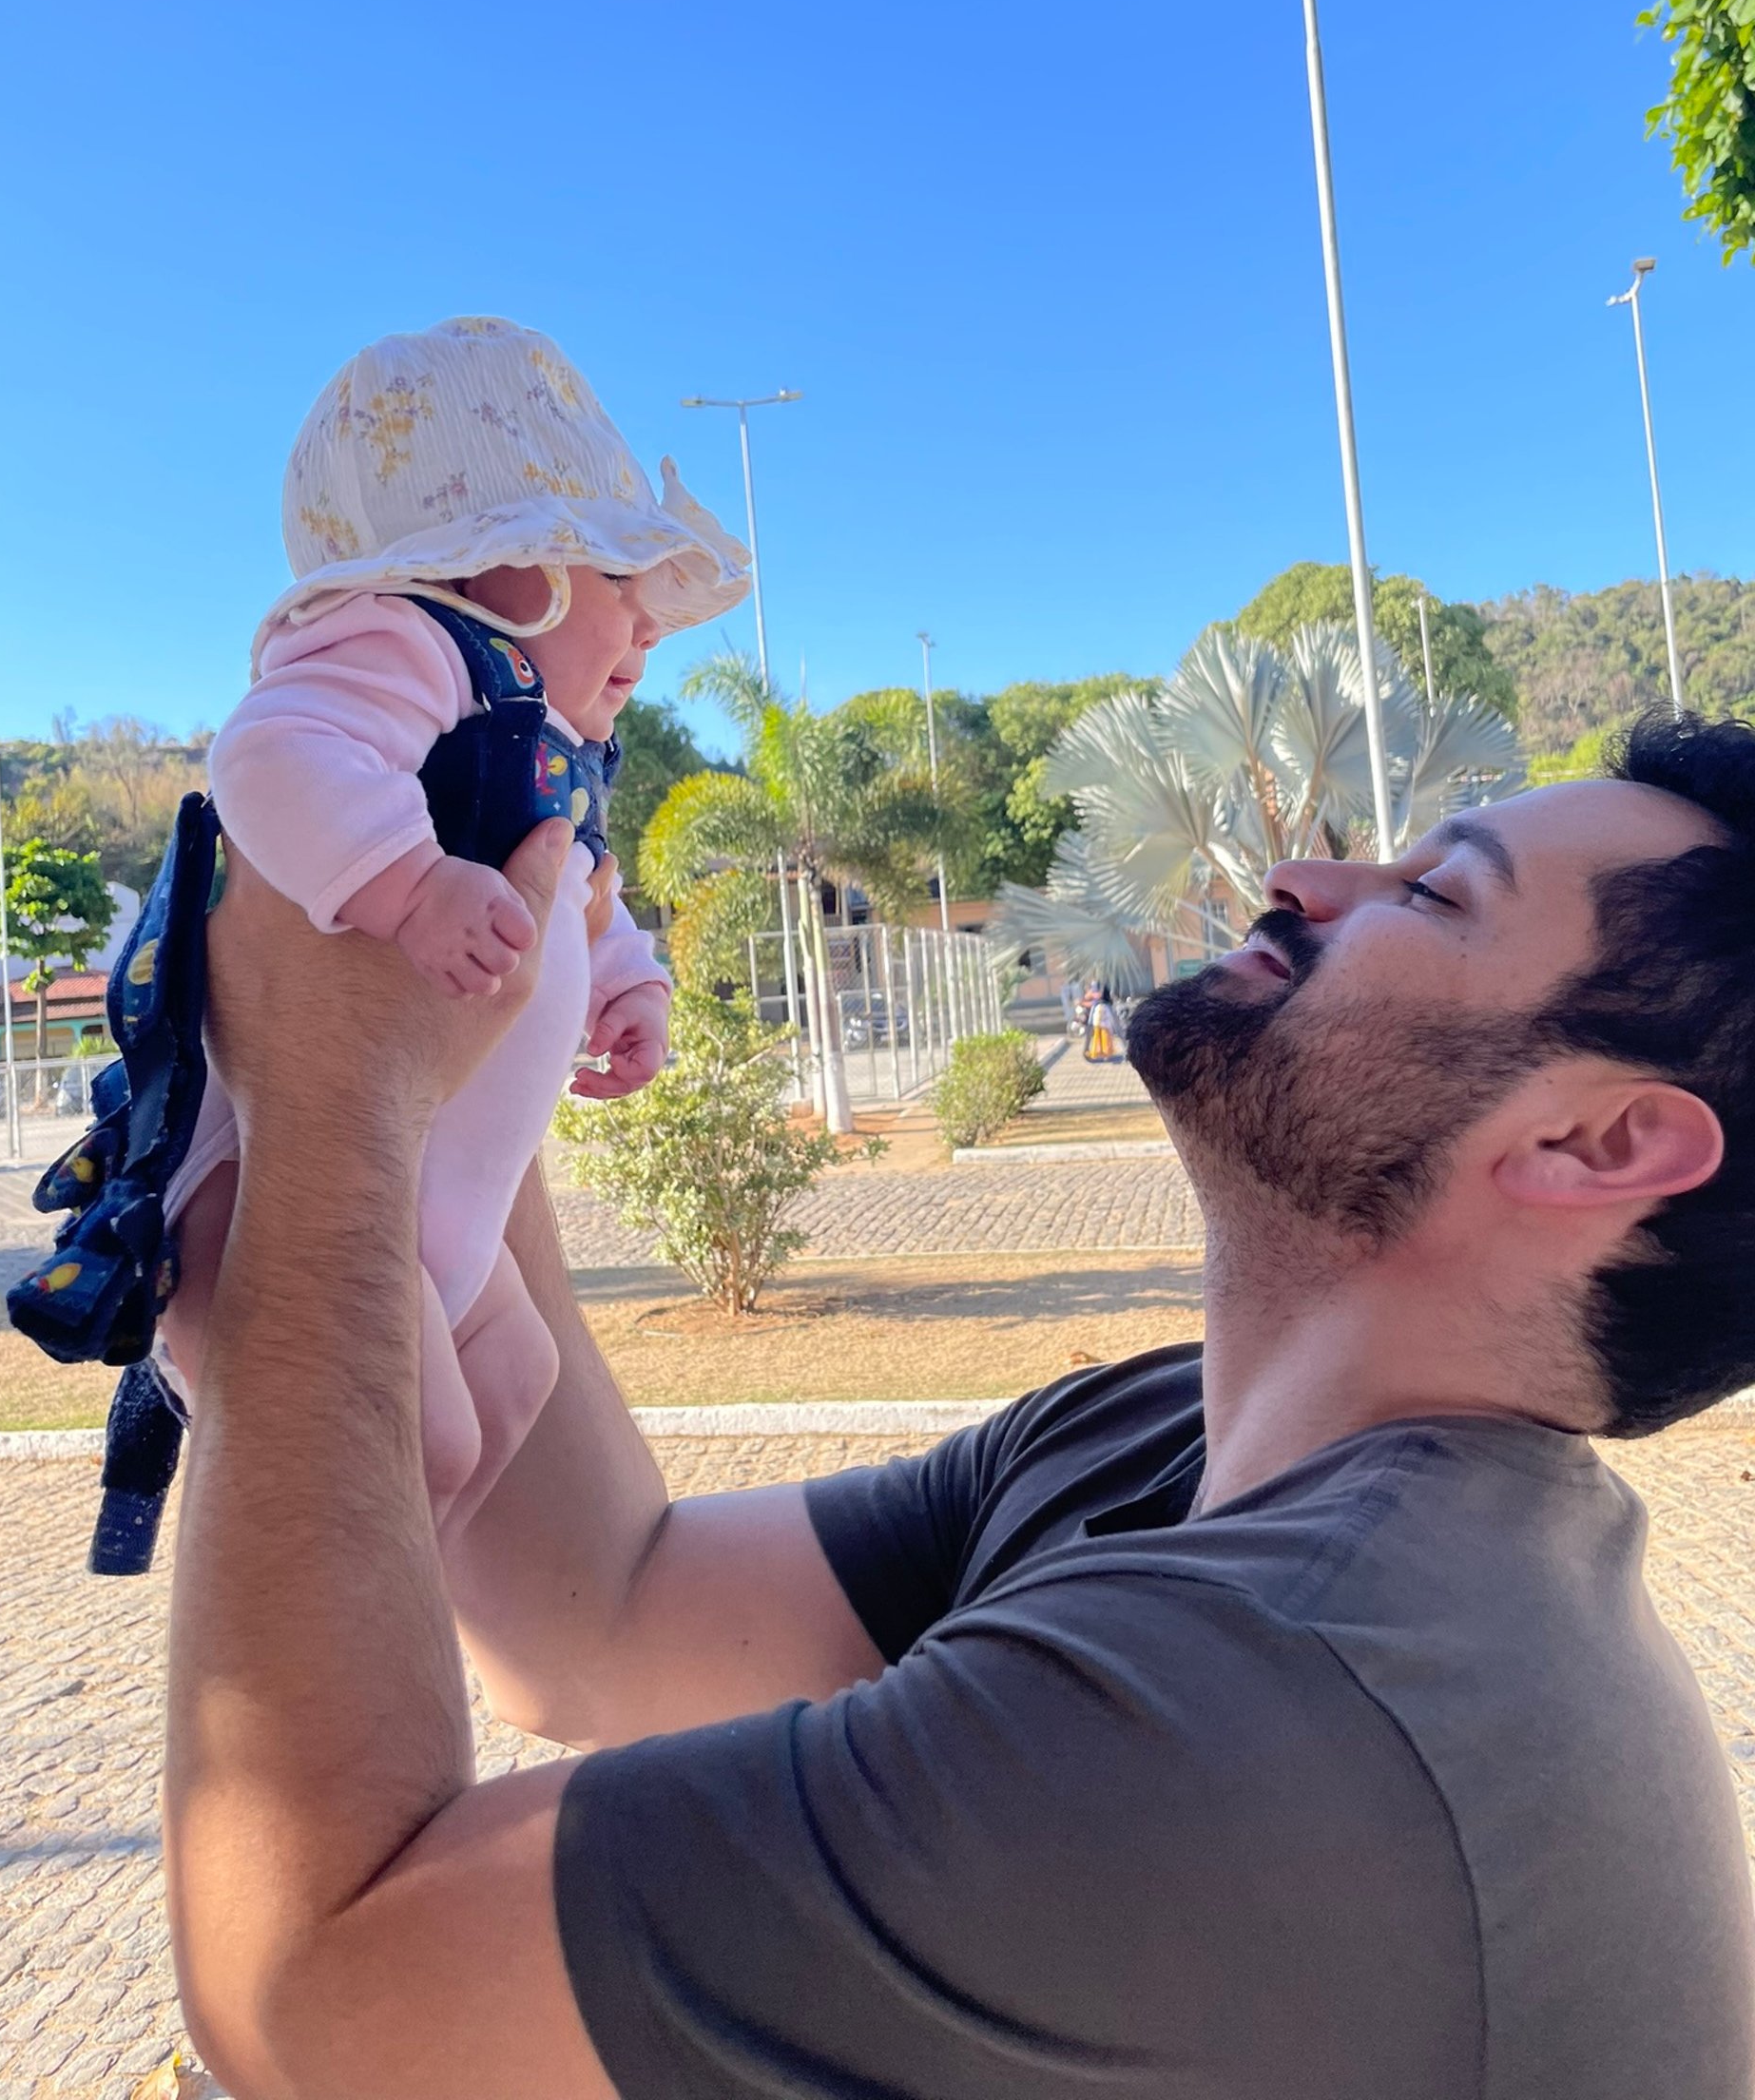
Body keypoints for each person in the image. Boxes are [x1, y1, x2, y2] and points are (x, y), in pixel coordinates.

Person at [164, 712, 1755, 2099]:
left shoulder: (1278, 1700)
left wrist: (332, 1115)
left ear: (1597, 1148)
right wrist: (494, 992)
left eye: (1431, 893)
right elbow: (603, 1620)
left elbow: (311, 2001)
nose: (1308, 883)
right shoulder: (1175, 1447)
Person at [156, 315, 748, 1538]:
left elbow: (582, 887)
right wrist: (412, 888)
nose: (650, 626)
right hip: (282, 1200)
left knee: (506, 1394)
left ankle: (395, 1581)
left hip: (437, 1221)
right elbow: (272, 754)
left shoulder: (544, 736)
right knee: (409, 1444)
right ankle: (349, 1573)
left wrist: (625, 980)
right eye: (624, 582)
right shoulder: (416, 642)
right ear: (510, 572)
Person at [1083, 979, 1121, 1060]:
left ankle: (1105, 1051)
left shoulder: (1104, 982)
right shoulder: (1097, 983)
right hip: (1099, 1007)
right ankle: (1092, 1050)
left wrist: (1091, 995)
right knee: (1096, 1029)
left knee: (1113, 1028)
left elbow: (1098, 995)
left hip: (1103, 1006)